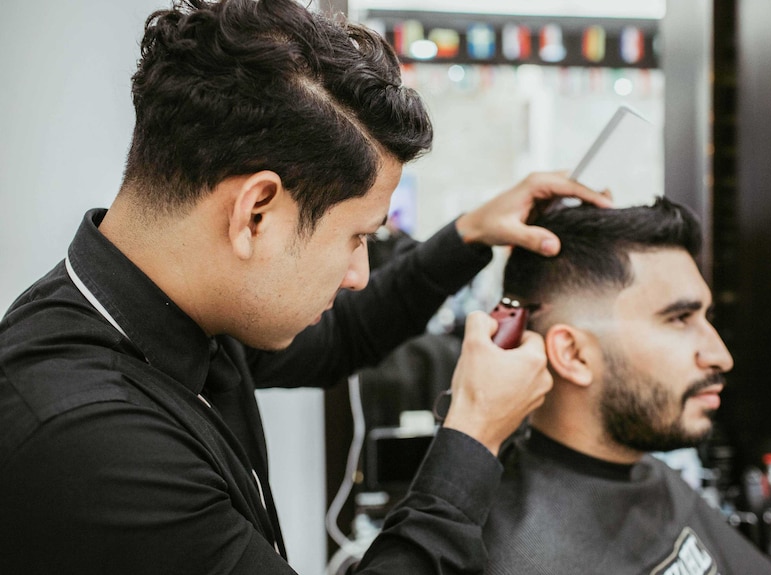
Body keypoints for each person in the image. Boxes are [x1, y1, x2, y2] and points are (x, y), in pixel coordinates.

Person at [0, 1, 611, 574]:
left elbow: (344, 334)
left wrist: (473, 235)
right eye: (356, 237)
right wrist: (474, 436)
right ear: (256, 212)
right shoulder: (94, 446)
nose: (359, 273)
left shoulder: (175, 311)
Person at [482, 197, 771, 574]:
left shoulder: (647, 471)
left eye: (704, 317)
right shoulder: (522, 559)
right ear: (574, 354)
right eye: (679, 318)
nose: (720, 356)